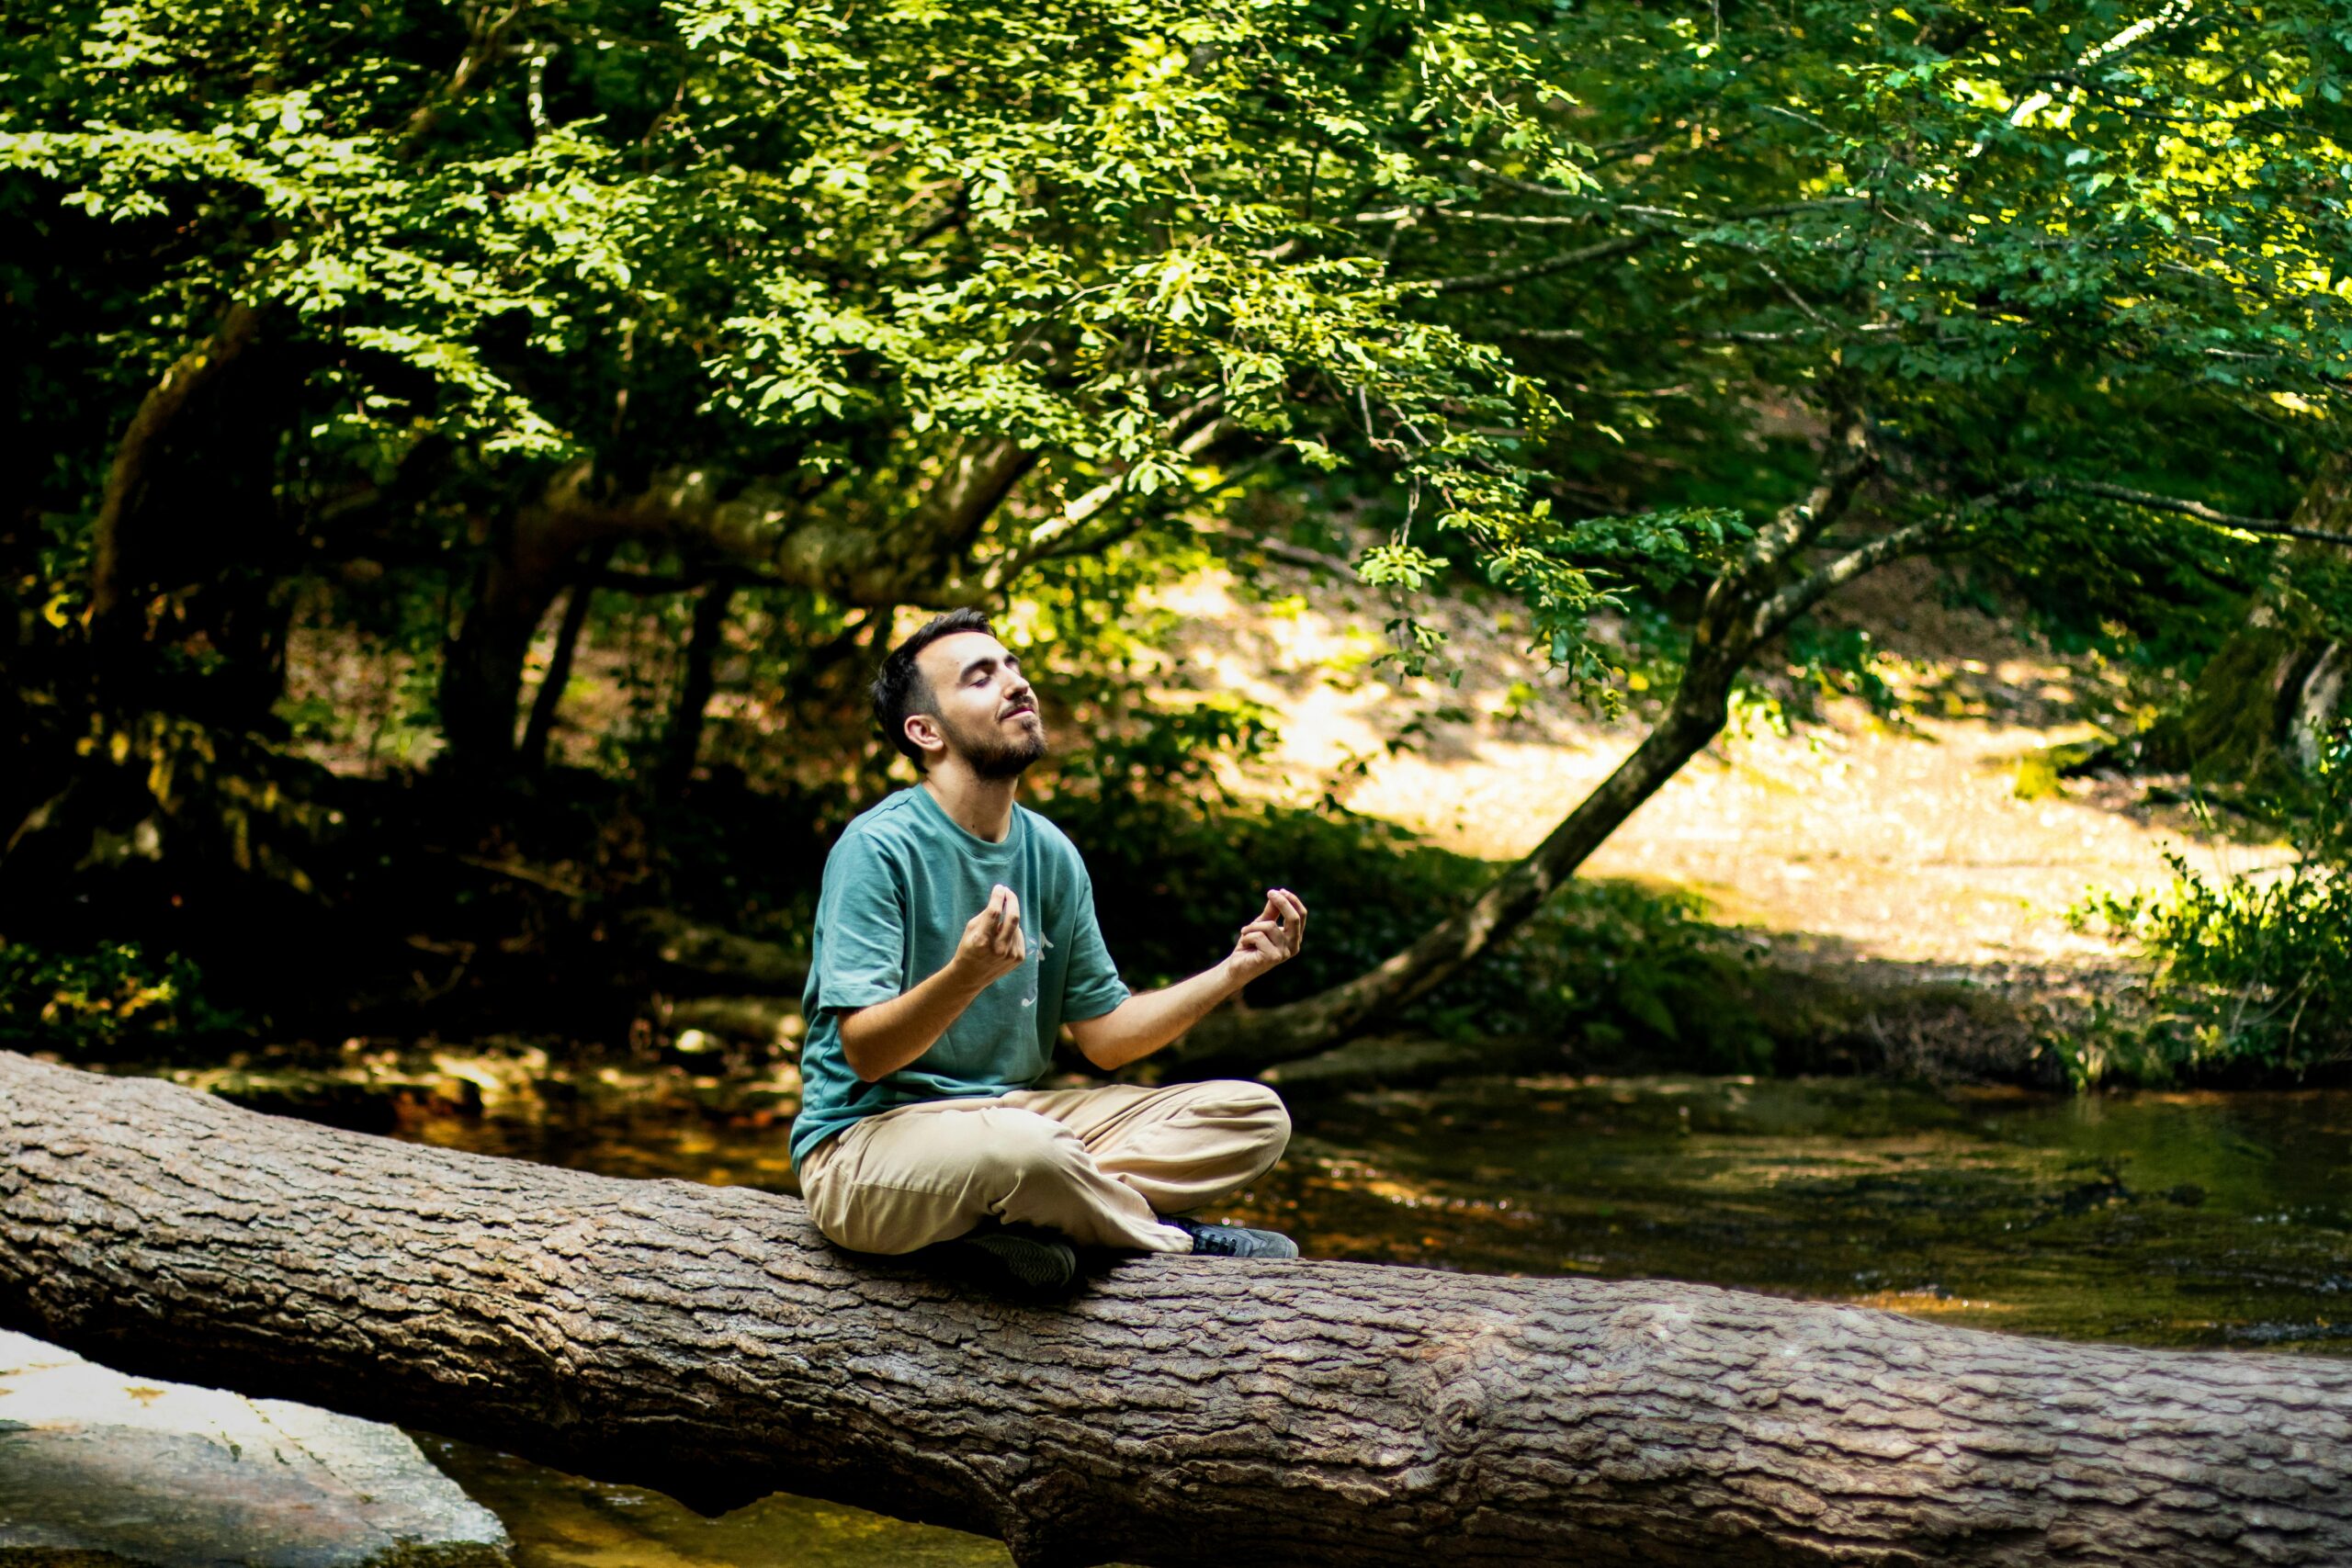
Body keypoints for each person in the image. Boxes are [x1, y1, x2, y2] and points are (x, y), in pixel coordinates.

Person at [790, 607, 1306, 1295]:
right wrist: (965, 975)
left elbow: (1107, 1038)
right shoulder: (876, 849)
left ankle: (1009, 1232)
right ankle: (1174, 1239)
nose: (1016, 684)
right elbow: (866, 1052)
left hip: (1010, 1120)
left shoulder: (1049, 852)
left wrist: (1234, 970)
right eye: (981, 678)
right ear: (926, 731)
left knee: (1253, 1117)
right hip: (864, 1144)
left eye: (1014, 668)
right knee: (1029, 1154)